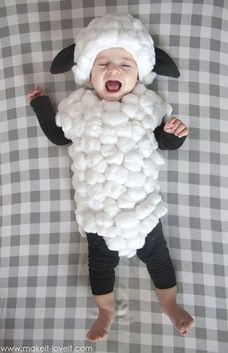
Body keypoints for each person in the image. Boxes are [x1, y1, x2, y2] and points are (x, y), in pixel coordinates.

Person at [28, 13, 194, 342]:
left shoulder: (150, 106)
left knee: (158, 256)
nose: (112, 69)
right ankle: (105, 310)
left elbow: (164, 142)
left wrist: (175, 134)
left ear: (141, 75)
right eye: (102, 62)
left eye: (124, 64)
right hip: (98, 211)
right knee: (100, 264)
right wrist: (42, 106)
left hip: (140, 208)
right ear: (88, 72)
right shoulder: (78, 109)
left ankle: (169, 302)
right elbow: (60, 136)